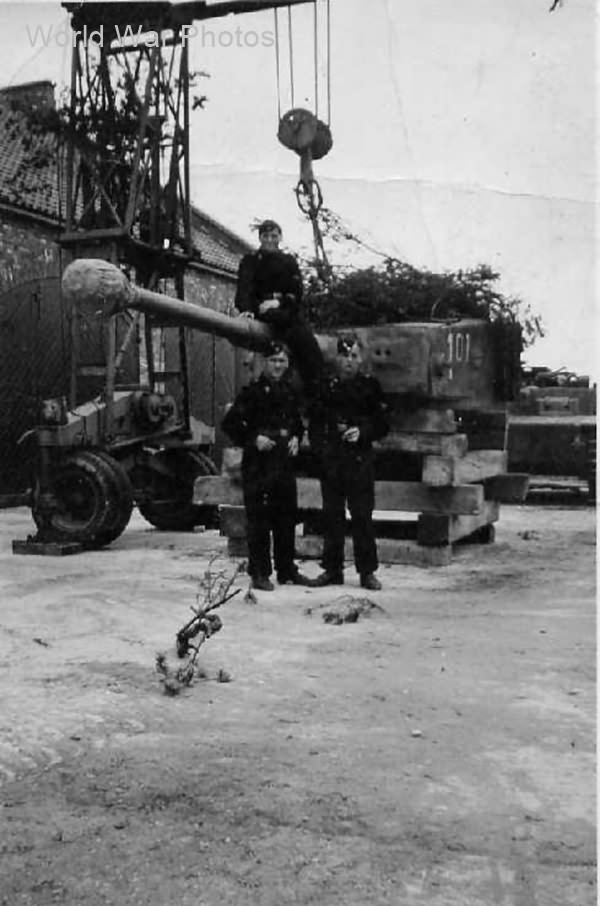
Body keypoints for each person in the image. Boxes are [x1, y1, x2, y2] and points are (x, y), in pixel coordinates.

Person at [222, 340, 311, 591]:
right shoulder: (252, 393)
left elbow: (297, 423)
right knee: (259, 521)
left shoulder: (289, 392)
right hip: (258, 465)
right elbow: (230, 425)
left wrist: (296, 437)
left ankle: (286, 569)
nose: (278, 365)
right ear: (265, 362)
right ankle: (259, 572)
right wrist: (253, 439)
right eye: (273, 360)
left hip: (283, 463)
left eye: (282, 361)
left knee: (285, 518)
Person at [308, 335, 390, 591]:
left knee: (362, 517)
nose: (349, 361)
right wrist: (322, 452)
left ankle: (367, 572)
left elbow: (382, 423)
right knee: (332, 517)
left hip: (359, 460)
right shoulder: (325, 387)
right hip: (332, 460)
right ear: (337, 358)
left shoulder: (370, 387)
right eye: (344, 356)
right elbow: (316, 424)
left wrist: (362, 432)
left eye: (354, 356)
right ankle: (332, 570)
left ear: (361, 359)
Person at [235, 219, 323, 396]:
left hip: (285, 310)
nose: (269, 240)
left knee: (304, 340)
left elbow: (297, 293)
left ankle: (316, 385)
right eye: (265, 236)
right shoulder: (250, 261)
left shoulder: (288, 261)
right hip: (263, 311)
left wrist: (279, 302)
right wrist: (248, 310)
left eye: (273, 236)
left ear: (280, 237)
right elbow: (244, 290)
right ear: (260, 238)